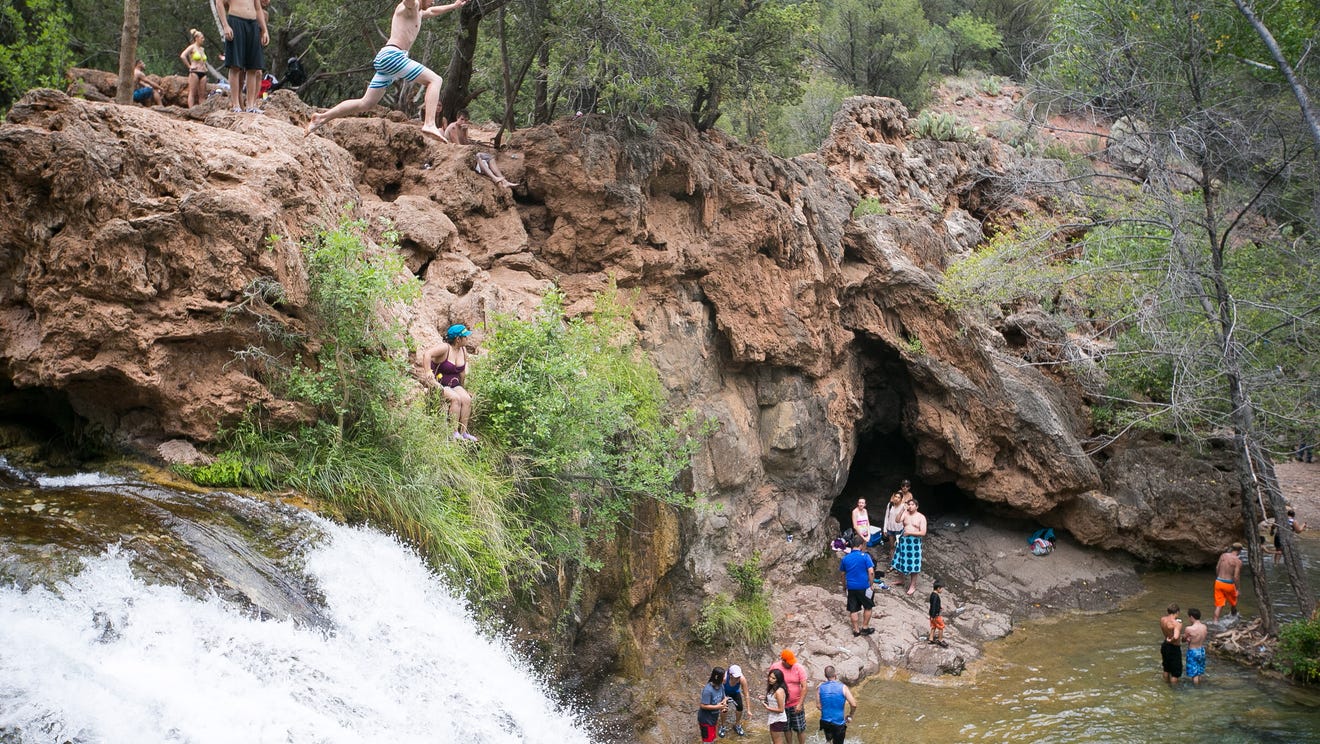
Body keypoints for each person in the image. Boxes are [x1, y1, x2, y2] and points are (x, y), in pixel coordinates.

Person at [306, 0, 467, 139]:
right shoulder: (410, 6)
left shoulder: (419, 12)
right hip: (392, 56)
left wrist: (454, 5)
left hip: (388, 62)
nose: (434, 2)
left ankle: (321, 118)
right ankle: (430, 123)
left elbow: (432, 11)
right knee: (435, 80)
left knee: (365, 103)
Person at [417, 323, 476, 440]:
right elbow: (427, 354)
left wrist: (463, 388)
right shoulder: (445, 348)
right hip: (439, 383)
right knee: (456, 398)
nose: (467, 339)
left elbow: (462, 373)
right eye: (465, 337)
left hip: (454, 384)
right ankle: (454, 432)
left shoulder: (463, 350)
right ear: (458, 339)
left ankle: (464, 432)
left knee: (467, 399)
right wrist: (428, 371)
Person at [214, 0, 269, 113]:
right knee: (235, 66)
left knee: (253, 67)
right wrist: (225, 25)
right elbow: (219, 3)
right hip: (236, 21)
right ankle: (235, 105)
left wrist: (264, 30)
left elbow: (258, 9)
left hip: (253, 24)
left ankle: (250, 105)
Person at [443, 109, 519, 187]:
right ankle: (494, 178)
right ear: (457, 118)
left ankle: (504, 181)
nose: (463, 122)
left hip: (463, 151)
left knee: (490, 157)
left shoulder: (464, 128)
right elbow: (457, 145)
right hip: (453, 153)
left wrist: (464, 132)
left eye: (466, 120)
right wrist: (470, 150)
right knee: (477, 156)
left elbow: (466, 143)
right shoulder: (453, 127)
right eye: (461, 119)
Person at [839, 534, 876, 637]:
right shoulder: (865, 557)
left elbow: (842, 574)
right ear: (861, 545)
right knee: (868, 607)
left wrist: (844, 586)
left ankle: (856, 630)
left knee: (853, 609)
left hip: (851, 587)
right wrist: (871, 584)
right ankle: (865, 627)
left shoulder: (845, 558)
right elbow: (871, 572)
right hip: (864, 586)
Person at [768, 650, 808, 744]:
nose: (791, 664)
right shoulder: (775, 667)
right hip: (782, 705)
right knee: (786, 728)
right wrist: (768, 697)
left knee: (800, 728)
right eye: (789, 663)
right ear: (783, 660)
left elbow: (804, 687)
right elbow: (770, 682)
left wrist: (800, 704)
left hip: (796, 704)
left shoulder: (798, 668)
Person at [892, 497, 927, 595]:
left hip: (914, 543)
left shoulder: (921, 517)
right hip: (904, 541)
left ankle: (913, 585)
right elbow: (897, 520)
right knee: (900, 560)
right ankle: (901, 579)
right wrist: (902, 509)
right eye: (909, 505)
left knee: (914, 564)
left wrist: (910, 532)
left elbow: (923, 532)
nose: (910, 506)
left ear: (917, 506)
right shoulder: (905, 514)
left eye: (912, 505)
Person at [815, 665, 857, 744]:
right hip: (838, 723)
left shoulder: (820, 688)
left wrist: (826, 709)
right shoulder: (843, 687)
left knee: (829, 740)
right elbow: (853, 704)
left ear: (825, 676)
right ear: (835, 675)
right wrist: (851, 715)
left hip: (825, 721)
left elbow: (818, 706)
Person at [698, 666, 729, 744]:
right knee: (707, 741)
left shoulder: (721, 686)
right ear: (718, 678)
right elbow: (703, 705)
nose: (726, 678)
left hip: (713, 719)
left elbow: (724, 697)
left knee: (712, 738)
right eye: (724, 676)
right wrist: (718, 707)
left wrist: (724, 704)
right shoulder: (708, 690)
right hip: (706, 720)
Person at [179, 29, 209, 107]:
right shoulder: (192, 47)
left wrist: (205, 67)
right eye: (202, 38)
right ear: (196, 38)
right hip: (195, 72)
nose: (203, 40)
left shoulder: (202, 49)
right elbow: (183, 56)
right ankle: (191, 109)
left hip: (203, 72)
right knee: (192, 93)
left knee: (202, 94)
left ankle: (202, 110)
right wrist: (189, 66)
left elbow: (203, 60)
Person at [1213, 542, 1242, 622]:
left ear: (1232, 548)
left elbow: (1217, 568)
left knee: (1219, 605)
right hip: (1228, 584)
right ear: (1240, 551)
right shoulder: (1238, 561)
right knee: (1234, 602)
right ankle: (1234, 616)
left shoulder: (1223, 556)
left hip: (1218, 582)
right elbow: (1236, 577)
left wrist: (1218, 578)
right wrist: (1238, 589)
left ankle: (1215, 622)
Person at [717, 664, 747, 737]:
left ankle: (737, 725)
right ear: (730, 675)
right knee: (724, 709)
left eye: (738, 676)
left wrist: (749, 709)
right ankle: (723, 726)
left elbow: (746, 694)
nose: (738, 678)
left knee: (740, 707)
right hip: (725, 692)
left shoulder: (742, 679)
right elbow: (719, 689)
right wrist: (724, 699)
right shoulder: (724, 678)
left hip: (735, 692)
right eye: (736, 677)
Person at [760, 668, 788, 744]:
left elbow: (781, 709)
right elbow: (774, 699)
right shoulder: (773, 688)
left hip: (778, 719)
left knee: (777, 740)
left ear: (778, 680)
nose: (770, 679)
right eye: (770, 677)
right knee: (774, 739)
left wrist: (767, 707)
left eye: (773, 678)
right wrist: (765, 697)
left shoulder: (779, 691)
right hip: (774, 718)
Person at [1183, 608, 1208, 685]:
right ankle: (1199, 686)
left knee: (1194, 674)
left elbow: (1183, 639)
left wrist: (1186, 639)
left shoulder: (1189, 629)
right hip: (1201, 650)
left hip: (1193, 651)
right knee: (1199, 672)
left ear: (1191, 617)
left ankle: (1196, 689)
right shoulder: (1204, 627)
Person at [1159, 603, 1182, 685]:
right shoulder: (1176, 623)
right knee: (1175, 673)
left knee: (1166, 669)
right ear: (1177, 612)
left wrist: (1167, 640)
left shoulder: (1162, 619)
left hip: (1165, 646)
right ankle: (1174, 690)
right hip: (1174, 647)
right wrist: (1171, 640)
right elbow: (1176, 637)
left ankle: (1166, 684)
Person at [882, 485, 907, 555]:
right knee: (892, 546)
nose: (896, 498)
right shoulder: (890, 505)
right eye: (895, 497)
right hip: (890, 529)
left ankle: (898, 561)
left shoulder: (903, 507)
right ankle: (891, 562)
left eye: (898, 497)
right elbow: (886, 517)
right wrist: (884, 529)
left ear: (901, 499)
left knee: (899, 546)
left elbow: (906, 518)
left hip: (899, 529)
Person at [928, 580, 947, 647]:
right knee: (941, 626)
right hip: (935, 615)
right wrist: (934, 615)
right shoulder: (936, 596)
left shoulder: (932, 594)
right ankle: (940, 639)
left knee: (933, 626)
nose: (942, 590)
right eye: (942, 589)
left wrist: (939, 607)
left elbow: (933, 604)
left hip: (931, 614)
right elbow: (934, 606)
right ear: (938, 588)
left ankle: (931, 638)